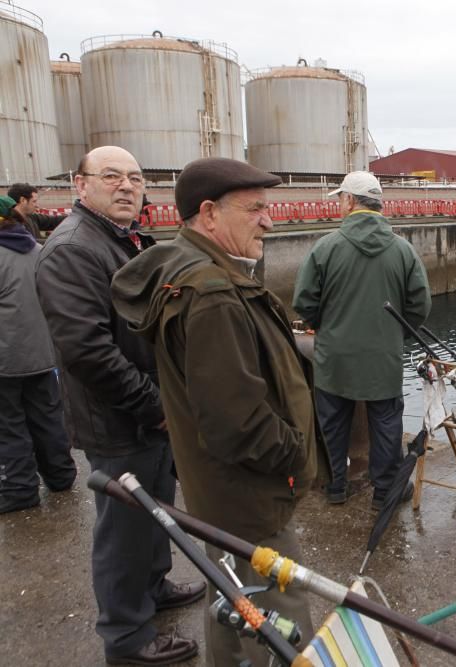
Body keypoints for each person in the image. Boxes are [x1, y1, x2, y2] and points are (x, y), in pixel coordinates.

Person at [111, 157, 326, 666]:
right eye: (255, 210)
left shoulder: (188, 271)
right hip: (249, 500)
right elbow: (238, 424)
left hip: (220, 493)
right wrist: (298, 457)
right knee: (280, 627)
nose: (269, 221)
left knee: (234, 604)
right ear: (209, 214)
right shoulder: (213, 294)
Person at [35, 147, 202, 666]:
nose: (127, 186)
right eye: (111, 177)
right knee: (123, 531)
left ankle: (152, 587)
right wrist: (154, 406)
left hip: (147, 413)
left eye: (134, 177)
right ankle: (127, 637)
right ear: (79, 185)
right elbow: (87, 351)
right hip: (119, 419)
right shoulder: (72, 250)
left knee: (154, 512)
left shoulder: (121, 240)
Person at [293, 171, 431, 508]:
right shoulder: (403, 250)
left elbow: (304, 301)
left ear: (350, 201)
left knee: (332, 421)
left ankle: (335, 486)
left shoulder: (325, 247)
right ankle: (385, 491)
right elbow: (420, 305)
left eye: (341, 198)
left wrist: (324, 325)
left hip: (334, 355)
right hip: (383, 356)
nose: (339, 204)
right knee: (386, 422)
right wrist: (394, 331)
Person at [0, 196, 76, 514]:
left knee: (9, 425)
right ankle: (61, 475)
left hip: (5, 359)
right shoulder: (35, 249)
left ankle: (19, 490)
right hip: (44, 354)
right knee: (47, 417)